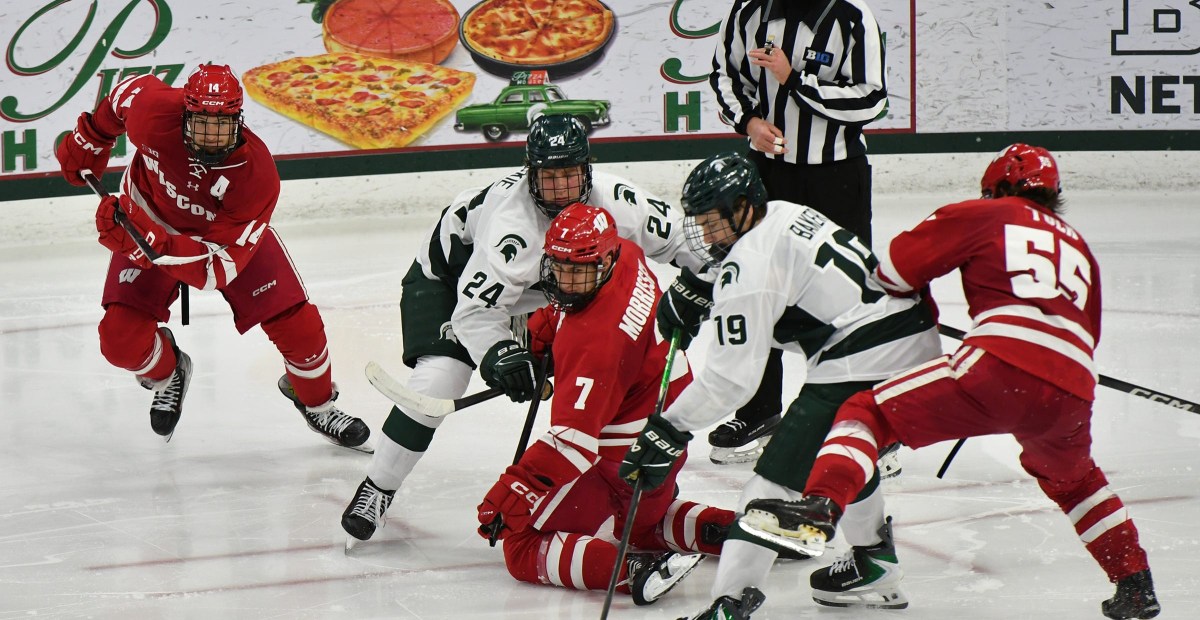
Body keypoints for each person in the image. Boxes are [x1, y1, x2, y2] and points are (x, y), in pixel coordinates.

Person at [738, 145, 1161, 620]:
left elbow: (893, 273)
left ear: (994, 187)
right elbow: (1084, 334)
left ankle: (820, 507)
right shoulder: (1079, 247)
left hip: (1000, 365)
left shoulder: (986, 214)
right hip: (1073, 388)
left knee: (863, 411)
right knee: (1077, 482)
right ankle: (1135, 583)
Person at [339, 114, 708, 545]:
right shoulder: (509, 230)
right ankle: (378, 486)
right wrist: (501, 356)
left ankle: (633, 483)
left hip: (544, 292)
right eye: (549, 177)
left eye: (570, 174)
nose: (561, 189)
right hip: (454, 285)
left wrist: (707, 288)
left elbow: (684, 245)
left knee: (605, 366)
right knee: (441, 379)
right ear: (530, 174)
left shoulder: (618, 201)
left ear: (587, 169)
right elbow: (475, 313)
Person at [618, 152, 942, 619]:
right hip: (909, 343)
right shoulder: (786, 212)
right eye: (700, 224)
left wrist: (671, 429)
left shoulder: (747, 268)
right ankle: (873, 561)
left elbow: (732, 381)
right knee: (838, 449)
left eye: (713, 222)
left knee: (770, 488)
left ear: (743, 207)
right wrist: (702, 284)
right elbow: (773, 275)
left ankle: (730, 604)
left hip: (865, 361)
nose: (706, 236)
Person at [54, 64, 369, 449]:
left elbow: (215, 270)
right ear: (185, 114)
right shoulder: (154, 111)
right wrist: (91, 137)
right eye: (202, 123)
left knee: (300, 329)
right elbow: (122, 96)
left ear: (239, 120)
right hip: (148, 217)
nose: (212, 136)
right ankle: (169, 373)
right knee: (119, 342)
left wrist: (150, 242)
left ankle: (318, 405)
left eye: (222, 125)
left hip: (218, 244)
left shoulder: (256, 174)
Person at [660, 0, 889, 466]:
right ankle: (758, 411)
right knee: (757, 284)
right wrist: (749, 123)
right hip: (768, 171)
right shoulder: (749, 10)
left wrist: (795, 80)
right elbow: (725, 75)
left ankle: (864, 421)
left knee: (849, 296)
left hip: (837, 175)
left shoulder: (851, 16)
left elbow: (871, 99)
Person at [476, 202, 734, 605]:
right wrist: (543, 338)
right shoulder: (626, 254)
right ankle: (738, 532)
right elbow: (569, 306)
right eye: (560, 266)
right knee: (642, 526)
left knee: (522, 545)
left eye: (579, 270)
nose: (566, 281)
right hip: (664, 443)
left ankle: (631, 571)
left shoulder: (594, 345)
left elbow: (573, 444)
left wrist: (512, 492)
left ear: (605, 259)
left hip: (622, 460)